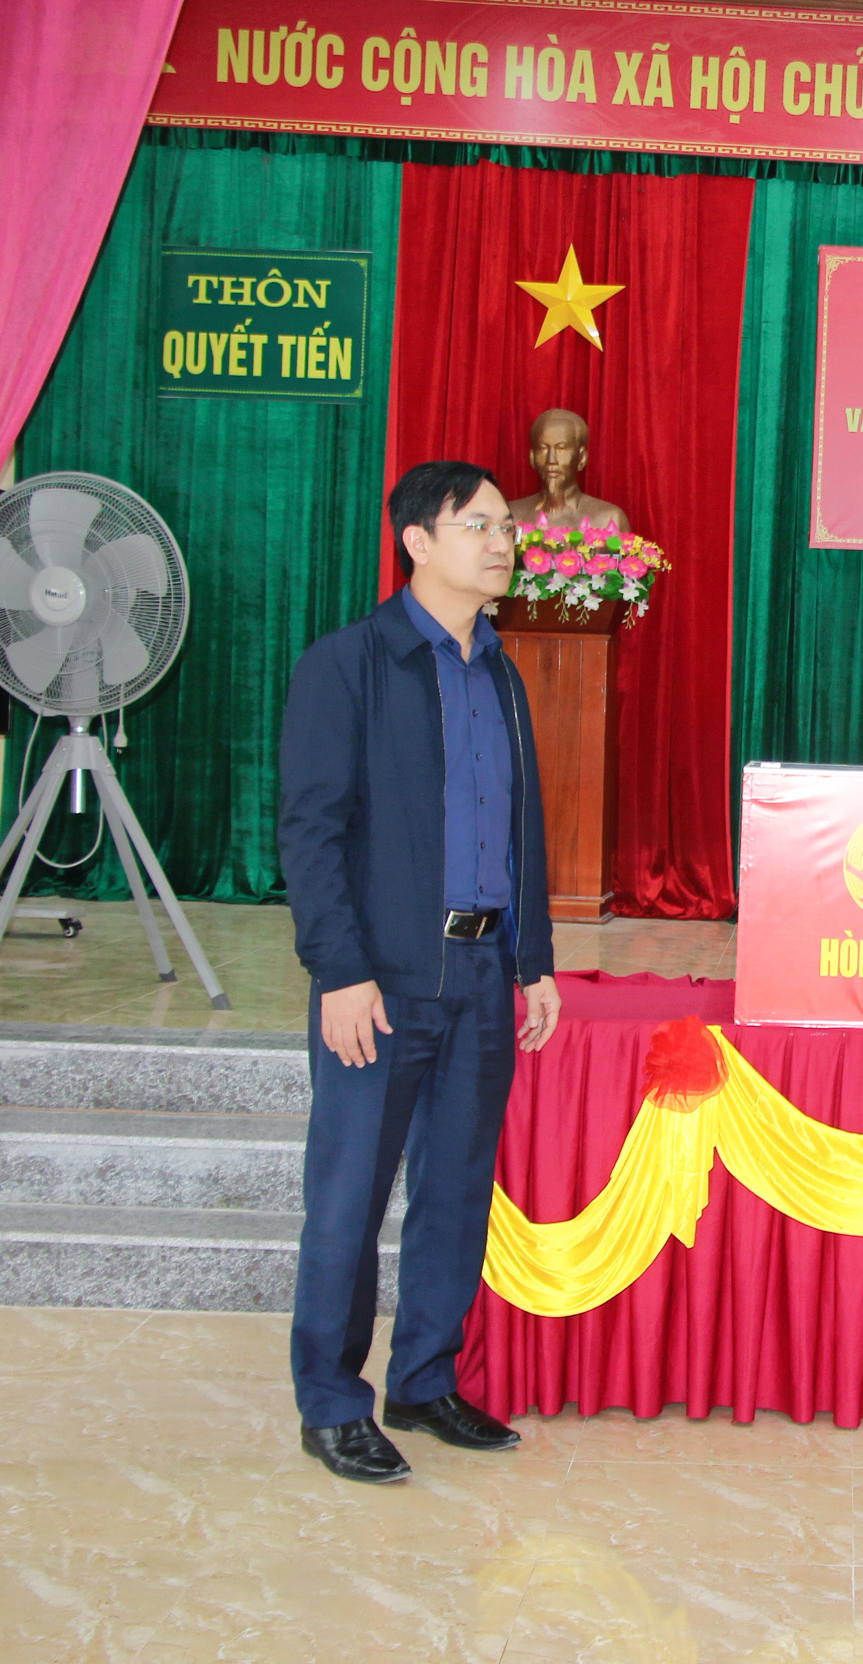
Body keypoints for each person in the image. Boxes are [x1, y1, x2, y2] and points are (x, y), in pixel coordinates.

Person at [277, 460, 565, 1483]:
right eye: (478, 524)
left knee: (455, 1191)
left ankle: (424, 1378)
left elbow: (520, 828)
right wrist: (340, 969)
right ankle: (331, 1401)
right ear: (416, 541)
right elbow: (311, 832)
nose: (502, 541)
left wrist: (531, 959)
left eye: (505, 526)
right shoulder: (348, 663)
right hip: (384, 979)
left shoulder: (499, 670)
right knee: (348, 1198)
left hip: (482, 972)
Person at [507, 407, 631, 536]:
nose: (551, 460)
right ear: (532, 457)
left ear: (581, 458)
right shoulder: (511, 515)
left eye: (561, 449)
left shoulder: (609, 519)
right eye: (543, 449)